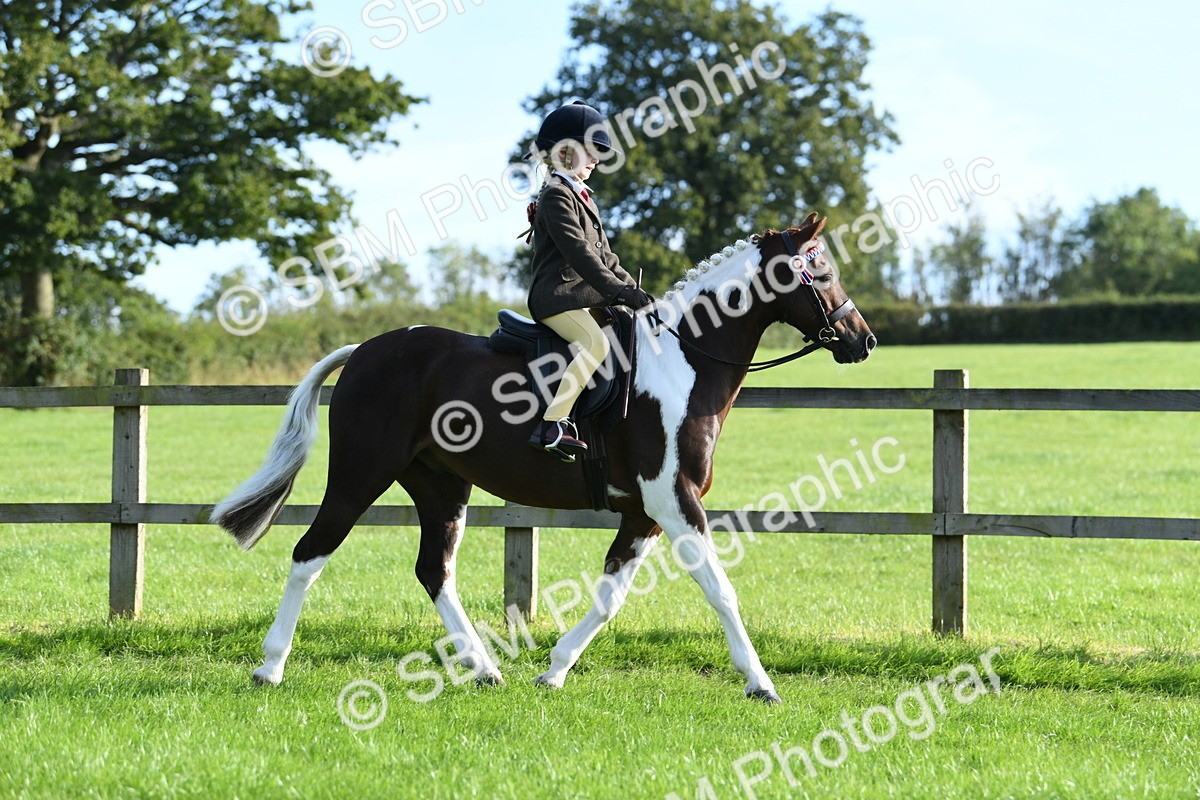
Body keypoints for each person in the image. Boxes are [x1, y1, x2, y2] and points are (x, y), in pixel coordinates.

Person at [523, 101, 653, 462]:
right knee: (595, 343)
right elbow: (582, 255)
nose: (597, 160)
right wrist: (619, 292)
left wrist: (637, 293)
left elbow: (607, 258)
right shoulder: (555, 195)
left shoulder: (582, 197)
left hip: (580, 297)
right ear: (565, 153)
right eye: (591, 152)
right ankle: (552, 424)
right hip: (557, 297)